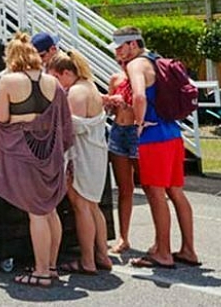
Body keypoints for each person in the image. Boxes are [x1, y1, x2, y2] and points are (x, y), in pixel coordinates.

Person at [113, 27, 200, 269]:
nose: (118, 52)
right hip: (172, 133)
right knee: (175, 192)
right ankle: (188, 249)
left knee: (155, 194)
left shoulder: (136, 65)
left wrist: (139, 124)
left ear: (132, 44)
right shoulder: (155, 59)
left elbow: (139, 96)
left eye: (120, 47)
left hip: (154, 138)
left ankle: (162, 252)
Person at [0, 33, 74, 287]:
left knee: (36, 212)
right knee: (49, 209)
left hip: (22, 152)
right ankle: (50, 265)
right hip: (49, 153)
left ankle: (40, 272)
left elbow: (2, 117)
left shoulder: (8, 81)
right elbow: (64, 120)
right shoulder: (53, 82)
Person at [48, 50, 112, 275]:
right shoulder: (90, 86)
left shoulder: (75, 92)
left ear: (66, 73)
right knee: (92, 205)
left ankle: (87, 260)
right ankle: (102, 254)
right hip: (95, 153)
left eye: (56, 77)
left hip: (82, 156)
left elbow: (69, 130)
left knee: (81, 206)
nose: (55, 83)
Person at [104, 67, 139, 254]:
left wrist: (127, 103)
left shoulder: (142, 77)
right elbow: (109, 110)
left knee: (151, 187)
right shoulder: (115, 78)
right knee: (124, 188)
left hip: (136, 130)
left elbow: (146, 104)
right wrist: (109, 102)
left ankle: (161, 240)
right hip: (118, 130)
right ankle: (123, 237)